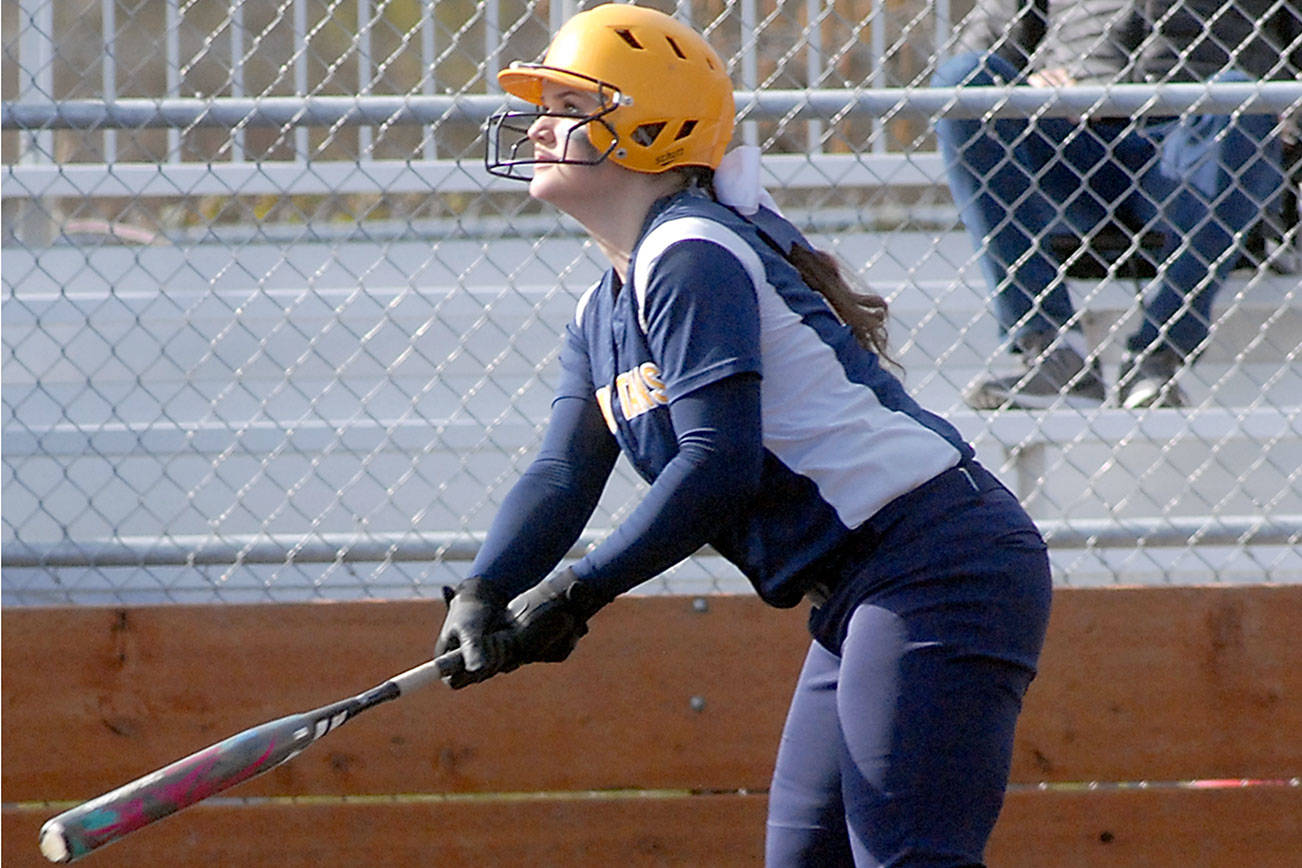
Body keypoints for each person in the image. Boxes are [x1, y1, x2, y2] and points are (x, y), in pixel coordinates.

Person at [434, 5, 1052, 866]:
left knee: (910, 856)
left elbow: (717, 464)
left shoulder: (690, 250)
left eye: (570, 106)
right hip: (866, 583)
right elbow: (562, 473)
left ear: (652, 128)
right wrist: (484, 588)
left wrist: (579, 591)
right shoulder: (603, 305)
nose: (539, 125)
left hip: (936, 562)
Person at [933, 0, 1293, 410]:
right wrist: (1030, 84)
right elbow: (979, 49)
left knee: (1241, 97)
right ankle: (1052, 349)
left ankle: (1156, 356)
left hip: (1196, 140)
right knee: (965, 78)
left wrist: (1283, 114)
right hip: (1071, 137)